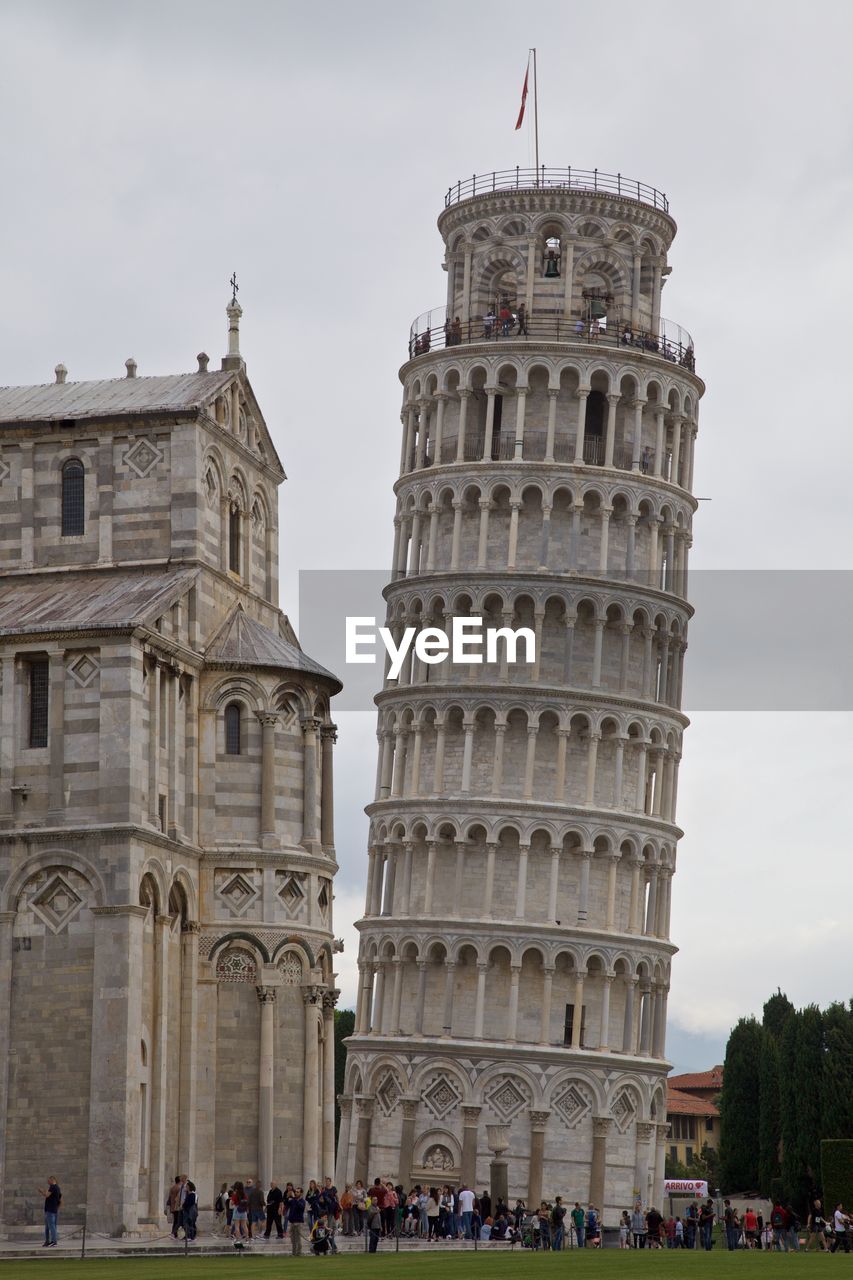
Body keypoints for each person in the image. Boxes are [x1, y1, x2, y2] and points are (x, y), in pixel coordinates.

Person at [39, 1176, 61, 1247]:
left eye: (48, 1181)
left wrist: (41, 1191)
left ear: (52, 1180)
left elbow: (47, 1195)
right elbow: (59, 1200)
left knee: (51, 1226)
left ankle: (54, 1241)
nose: (48, 1182)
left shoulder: (53, 1187)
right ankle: (47, 1241)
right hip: (54, 1210)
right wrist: (56, 1208)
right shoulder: (57, 1188)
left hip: (50, 1210)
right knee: (48, 1227)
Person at [286, 1186, 305, 1256]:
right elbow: (287, 1204)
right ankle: (293, 1253)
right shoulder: (293, 1200)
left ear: (301, 1193)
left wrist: (294, 1198)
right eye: (295, 1192)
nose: (296, 1193)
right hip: (292, 1222)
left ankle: (298, 1253)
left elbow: (301, 1207)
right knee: (292, 1239)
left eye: (297, 1192)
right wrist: (287, 1197)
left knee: (298, 1239)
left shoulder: (302, 1201)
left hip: (298, 1222)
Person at [231, 1181, 249, 1250]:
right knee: (244, 1225)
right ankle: (247, 1238)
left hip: (237, 1210)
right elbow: (246, 1202)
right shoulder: (244, 1194)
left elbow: (232, 1203)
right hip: (243, 1211)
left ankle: (238, 1240)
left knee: (237, 1226)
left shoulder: (235, 1194)